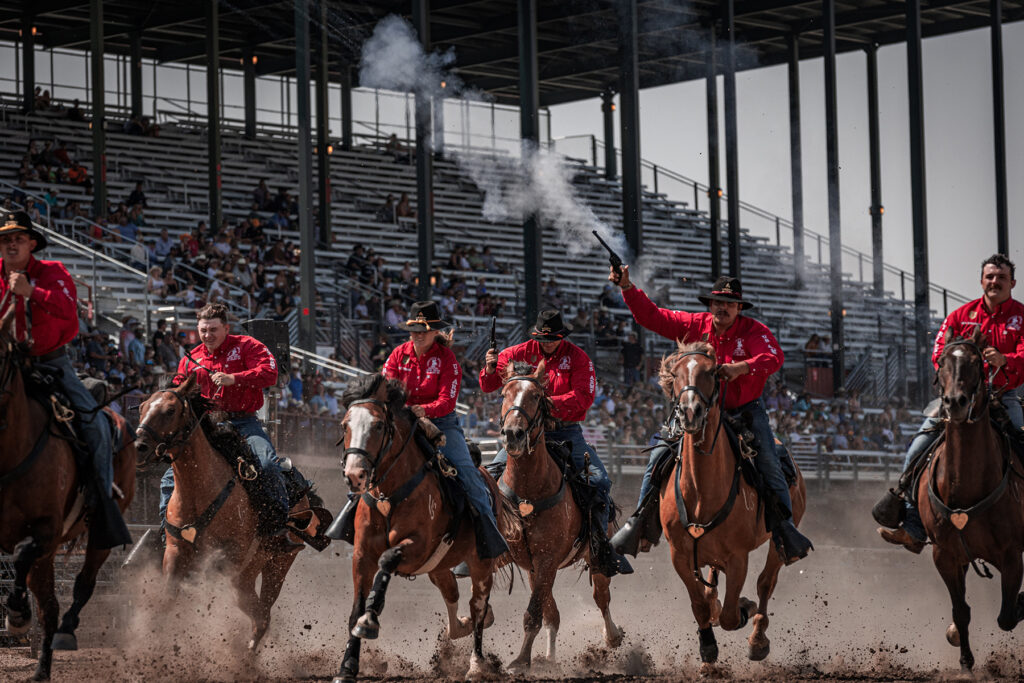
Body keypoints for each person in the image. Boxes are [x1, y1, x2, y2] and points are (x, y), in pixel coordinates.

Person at [608, 268, 813, 565]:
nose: (723, 308)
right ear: (710, 305)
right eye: (718, 302)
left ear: (739, 308)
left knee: (769, 460)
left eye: (729, 303)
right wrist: (627, 286)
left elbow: (774, 358)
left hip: (744, 411)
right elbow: (651, 316)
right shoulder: (695, 324)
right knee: (658, 455)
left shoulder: (754, 331)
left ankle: (784, 530)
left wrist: (741, 368)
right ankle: (640, 523)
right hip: (698, 410)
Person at [330, 302, 508, 561]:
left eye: (423, 330)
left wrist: (421, 410)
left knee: (469, 476)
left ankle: (488, 536)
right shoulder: (397, 354)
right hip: (401, 422)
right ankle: (350, 513)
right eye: (414, 329)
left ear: (435, 331)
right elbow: (385, 389)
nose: (417, 334)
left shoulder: (448, 360)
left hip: (442, 423)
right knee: (369, 461)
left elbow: (447, 401)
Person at [0, 211, 131, 549]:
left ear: (32, 243)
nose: (11, 243)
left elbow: (68, 309)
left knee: (95, 424)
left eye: (18, 237)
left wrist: (31, 291)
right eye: (5, 239)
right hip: (5, 366)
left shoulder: (52, 273)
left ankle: (103, 505)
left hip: (52, 365)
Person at [878, 254, 1024, 553]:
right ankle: (914, 526)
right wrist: (955, 376)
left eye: (1001, 277)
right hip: (959, 397)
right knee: (918, 447)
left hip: (1006, 396)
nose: (994, 281)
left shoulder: (1022, 317)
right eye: (990, 276)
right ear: (982, 281)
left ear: (1013, 282)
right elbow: (939, 352)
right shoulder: (960, 316)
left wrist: (1005, 360)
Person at [480, 309, 633, 577]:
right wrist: (489, 368)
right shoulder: (517, 353)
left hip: (565, 433)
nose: (548, 342)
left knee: (599, 482)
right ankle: (484, 545)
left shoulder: (578, 359)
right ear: (536, 335)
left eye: (553, 337)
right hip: (525, 435)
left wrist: (544, 405)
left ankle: (600, 547)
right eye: (543, 337)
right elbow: (490, 385)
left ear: (562, 336)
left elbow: (583, 398)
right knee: (488, 481)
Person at [157, 303, 297, 548]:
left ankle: (276, 530)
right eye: (203, 330)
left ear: (226, 328)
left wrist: (235, 378)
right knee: (169, 478)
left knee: (266, 465)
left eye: (213, 329)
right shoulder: (190, 359)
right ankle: (165, 531)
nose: (207, 335)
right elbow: (178, 391)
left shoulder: (247, 346)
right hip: (205, 427)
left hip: (243, 421)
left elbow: (270, 374)